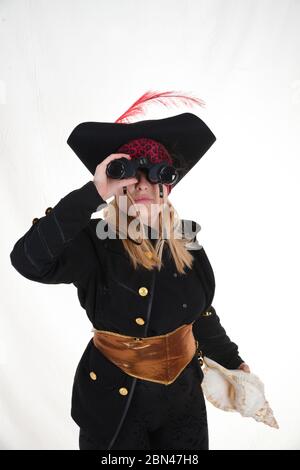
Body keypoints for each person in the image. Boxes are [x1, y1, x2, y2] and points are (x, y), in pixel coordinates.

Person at [10, 91, 250, 450]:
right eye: (130, 174)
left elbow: (199, 314)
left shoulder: (186, 242)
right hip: (115, 404)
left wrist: (231, 360)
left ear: (166, 185)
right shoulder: (93, 242)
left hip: (181, 405)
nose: (142, 183)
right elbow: (28, 260)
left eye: (154, 174)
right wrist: (94, 191)